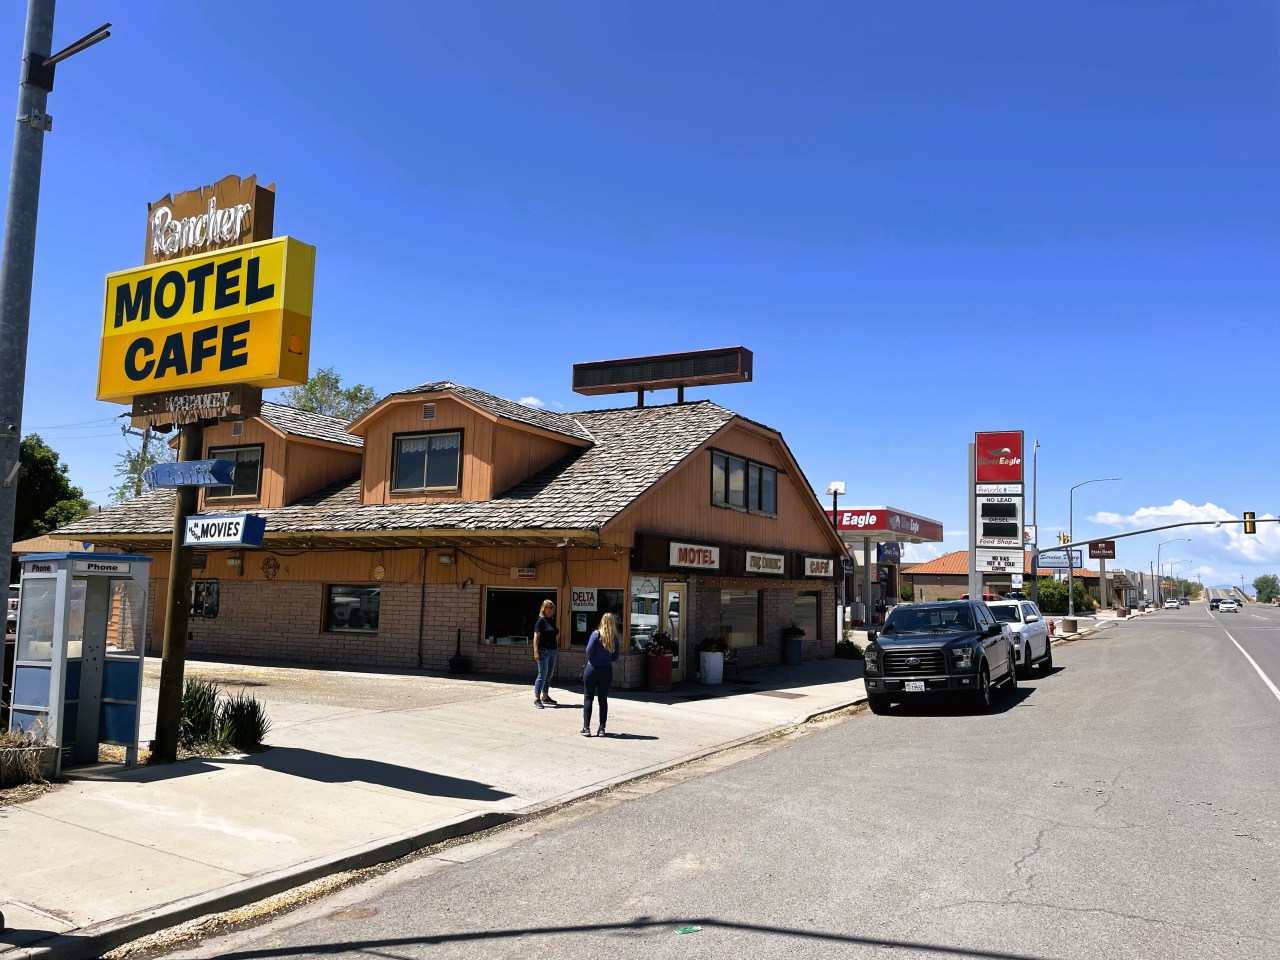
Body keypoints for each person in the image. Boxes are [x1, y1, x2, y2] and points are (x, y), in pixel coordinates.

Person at [581, 612, 620, 737]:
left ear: (602, 622)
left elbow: (588, 651)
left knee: (588, 698)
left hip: (592, 668)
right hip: (606, 670)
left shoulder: (595, 634)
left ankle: (586, 728)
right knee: (603, 699)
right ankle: (602, 728)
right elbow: (615, 657)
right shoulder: (614, 638)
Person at [532, 599, 559, 708]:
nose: (551, 610)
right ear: (544, 608)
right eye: (549, 608)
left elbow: (555, 633)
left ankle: (545, 696)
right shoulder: (541, 621)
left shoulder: (551, 620)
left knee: (549, 674)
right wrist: (535, 652)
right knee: (542, 675)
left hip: (553, 651)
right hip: (544, 651)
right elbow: (536, 637)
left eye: (552, 608)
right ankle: (537, 698)